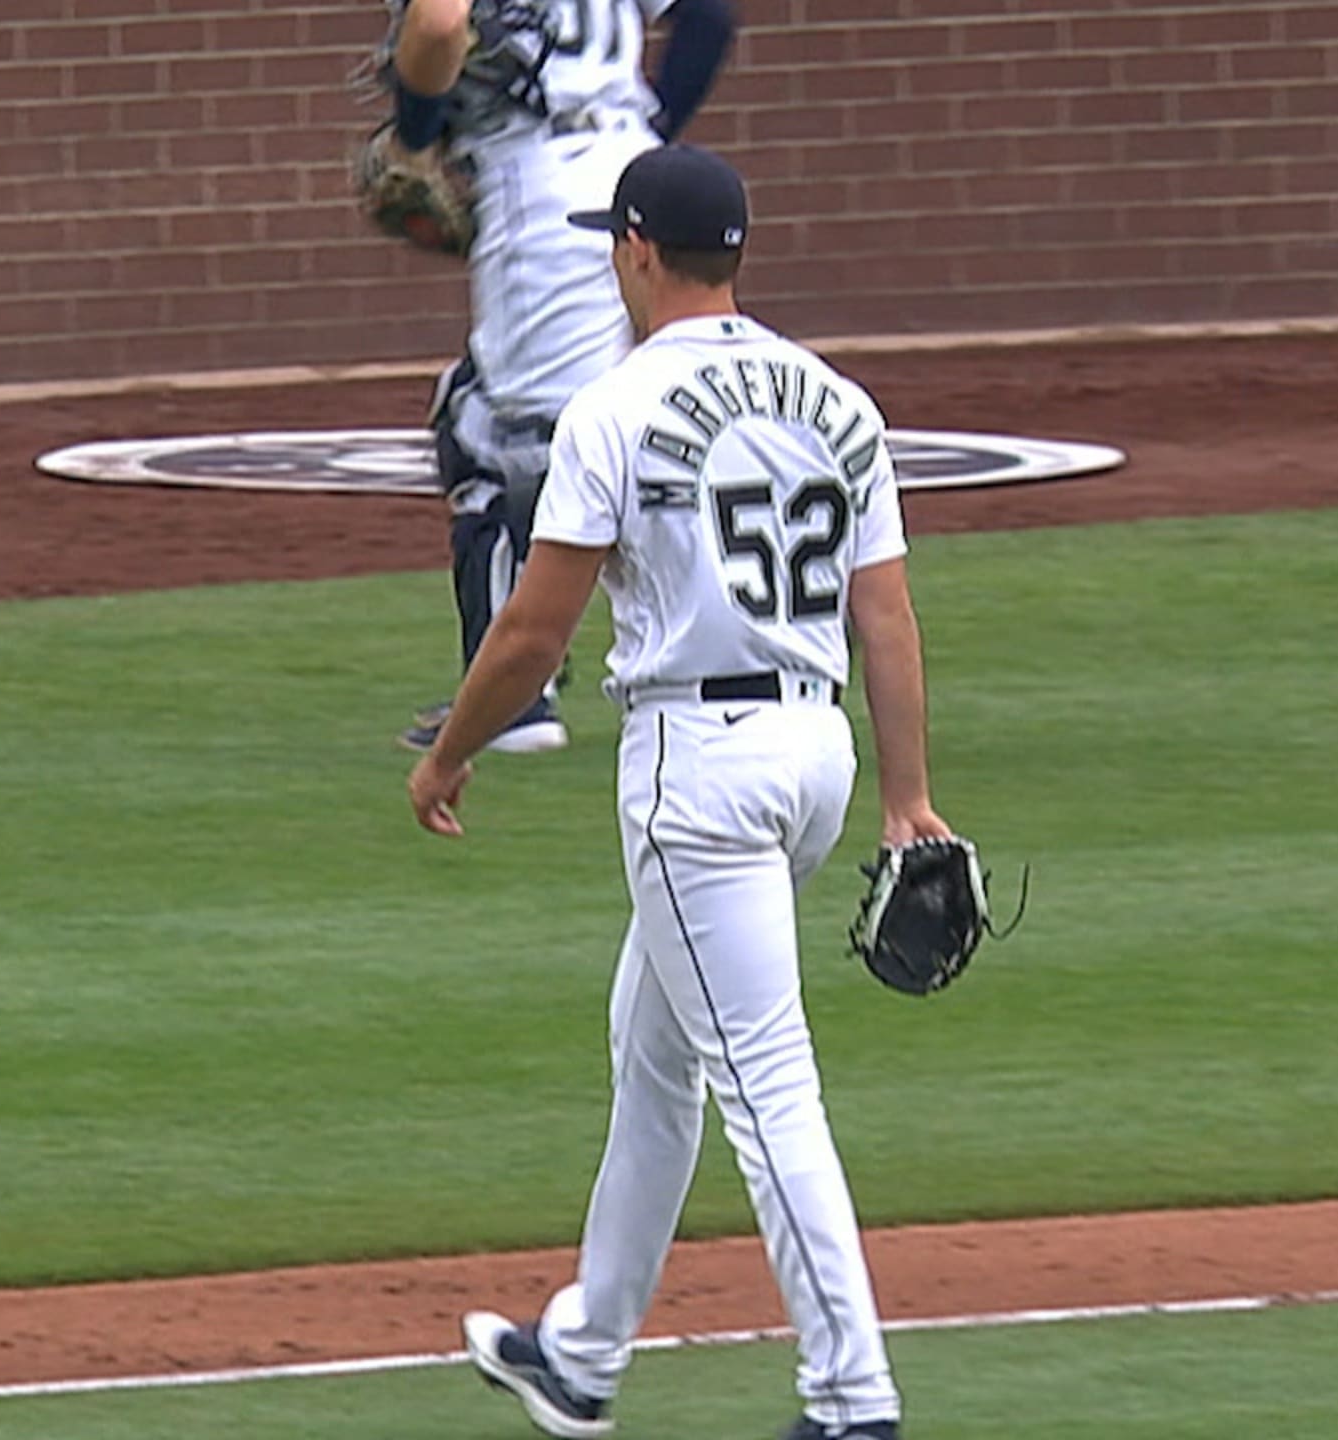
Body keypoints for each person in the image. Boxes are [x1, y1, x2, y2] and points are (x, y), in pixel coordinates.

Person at [406, 144, 946, 1440]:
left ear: (639, 249)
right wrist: (907, 801)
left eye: (615, 238)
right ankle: (582, 1354)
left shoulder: (615, 407)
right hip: (813, 758)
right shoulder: (838, 401)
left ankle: (852, 1399)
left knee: (765, 1085)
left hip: (698, 776)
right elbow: (885, 615)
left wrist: (449, 752)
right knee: (653, 1054)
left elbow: (533, 632)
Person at [379, 0, 737, 755]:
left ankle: (511, 701)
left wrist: (413, 140)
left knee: (499, 440)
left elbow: (439, 24)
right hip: (632, 168)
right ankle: (771, 614)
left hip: (539, 181)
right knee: (654, 417)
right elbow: (708, 15)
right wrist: (650, 136)